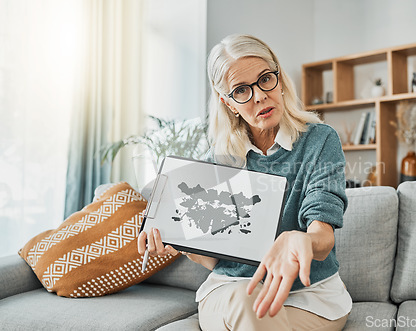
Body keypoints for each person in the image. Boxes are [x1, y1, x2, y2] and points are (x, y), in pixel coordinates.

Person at [138, 34, 352, 330]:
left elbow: (323, 237)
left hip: (311, 298)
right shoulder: (217, 160)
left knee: (254, 313)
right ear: (228, 103)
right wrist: (180, 242)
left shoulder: (320, 141)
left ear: (279, 78)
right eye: (241, 90)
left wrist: (300, 238)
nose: (260, 96)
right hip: (233, 290)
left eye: (265, 79)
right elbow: (217, 259)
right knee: (246, 301)